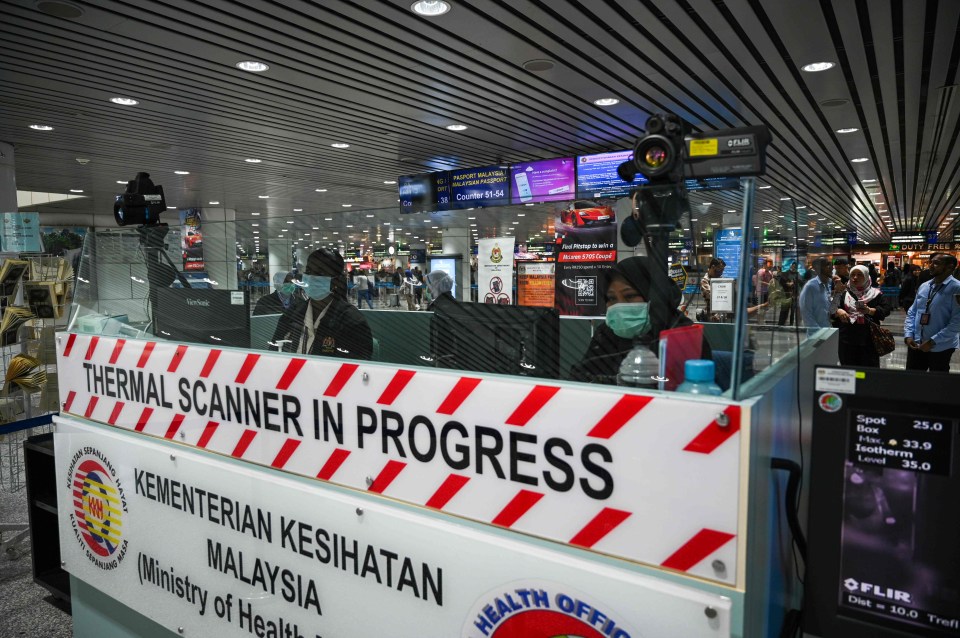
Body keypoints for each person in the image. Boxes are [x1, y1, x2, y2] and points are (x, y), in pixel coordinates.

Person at [570, 256, 710, 384]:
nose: (620, 306)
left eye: (630, 296)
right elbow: (579, 379)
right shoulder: (606, 334)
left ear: (656, 297)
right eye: (612, 299)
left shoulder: (684, 337)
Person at [272, 248, 373, 359]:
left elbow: (358, 367)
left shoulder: (352, 321)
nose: (311, 277)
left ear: (336, 281)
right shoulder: (292, 314)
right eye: (309, 271)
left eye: (320, 273)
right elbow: (273, 352)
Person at [904, 253, 960, 372]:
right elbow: (912, 312)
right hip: (916, 344)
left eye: (936, 263)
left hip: (941, 347)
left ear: (950, 267)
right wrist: (909, 335)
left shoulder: (957, 288)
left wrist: (933, 341)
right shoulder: (925, 286)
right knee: (912, 382)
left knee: (936, 384)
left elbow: (957, 322)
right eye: (930, 262)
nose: (931, 266)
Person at [832, 264, 891, 367]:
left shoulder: (875, 294)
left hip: (869, 341)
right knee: (848, 371)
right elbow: (832, 311)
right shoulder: (844, 293)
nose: (855, 277)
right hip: (847, 341)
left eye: (860, 275)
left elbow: (886, 310)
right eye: (853, 274)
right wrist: (839, 311)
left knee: (868, 372)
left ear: (866, 276)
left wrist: (869, 310)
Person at [799, 257, 834, 330]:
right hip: (818, 334)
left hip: (832, 331)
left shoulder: (832, 283)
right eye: (827, 265)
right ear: (817, 269)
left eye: (831, 265)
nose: (831, 268)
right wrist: (818, 333)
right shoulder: (810, 287)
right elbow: (806, 314)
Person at [696, 257, 726, 322]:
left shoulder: (719, 278)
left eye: (722, 271)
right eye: (719, 270)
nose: (721, 273)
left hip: (723, 312)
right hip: (712, 316)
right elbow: (712, 297)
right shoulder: (705, 281)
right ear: (713, 267)